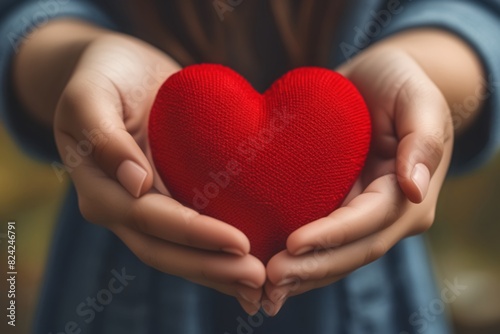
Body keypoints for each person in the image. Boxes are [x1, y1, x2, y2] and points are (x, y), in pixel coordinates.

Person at [1, 0, 499, 333]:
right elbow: (23, 14)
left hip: (369, 285)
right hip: (119, 284)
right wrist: (80, 60)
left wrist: (424, 73)